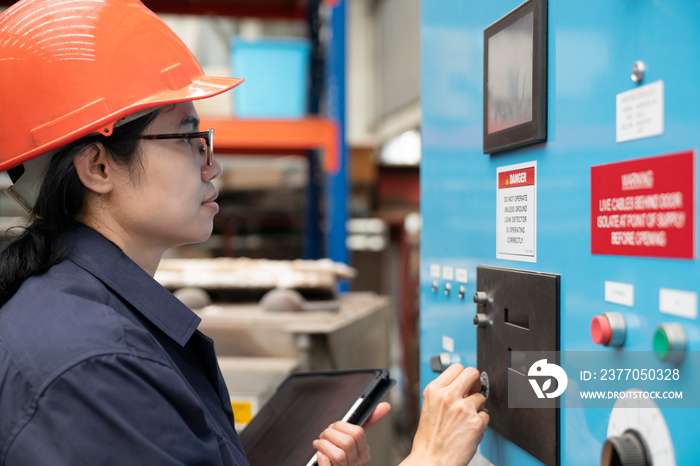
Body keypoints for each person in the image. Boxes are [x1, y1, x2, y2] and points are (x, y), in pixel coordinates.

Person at [0, 1, 489, 465]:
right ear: (99, 166)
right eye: (189, 138)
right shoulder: (91, 365)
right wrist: (431, 457)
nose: (213, 166)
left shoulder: (88, 322)